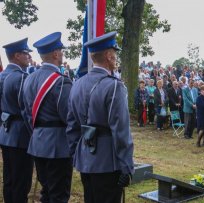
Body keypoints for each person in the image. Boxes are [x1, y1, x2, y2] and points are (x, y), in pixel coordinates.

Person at [66, 31, 134, 202]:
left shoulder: (77, 84)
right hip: (107, 162)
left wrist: (77, 153)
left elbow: (72, 125)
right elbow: (121, 130)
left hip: (85, 158)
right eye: (115, 54)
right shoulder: (114, 86)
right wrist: (126, 165)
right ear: (108, 56)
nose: (116, 58)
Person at [23, 32, 73, 203]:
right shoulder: (60, 81)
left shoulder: (29, 79)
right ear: (55, 54)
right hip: (58, 147)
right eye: (61, 51)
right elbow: (69, 117)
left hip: (37, 142)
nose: (62, 54)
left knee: (47, 192)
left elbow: (26, 113)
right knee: (59, 194)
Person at [0, 38, 33, 203]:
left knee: (9, 180)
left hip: (5, 132)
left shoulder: (2, 75)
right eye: (26, 53)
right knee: (21, 182)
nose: (29, 56)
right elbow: (26, 110)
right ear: (17, 55)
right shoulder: (20, 78)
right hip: (21, 135)